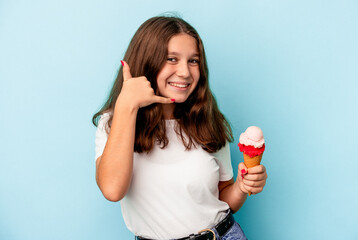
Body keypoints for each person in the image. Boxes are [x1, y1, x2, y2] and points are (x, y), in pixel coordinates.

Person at [92, 15, 268, 240]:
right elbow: (112, 190)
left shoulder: (208, 121)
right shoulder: (113, 123)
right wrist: (127, 104)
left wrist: (242, 187)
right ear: (147, 61)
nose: (185, 72)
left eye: (193, 61)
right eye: (171, 59)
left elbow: (223, 199)